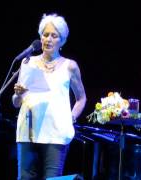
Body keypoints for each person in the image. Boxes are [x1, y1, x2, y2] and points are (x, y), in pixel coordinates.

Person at [12, 13, 87, 180]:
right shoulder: (27, 63)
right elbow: (16, 102)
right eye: (45, 35)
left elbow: (81, 98)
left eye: (54, 36)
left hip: (55, 133)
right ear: (40, 37)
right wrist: (18, 95)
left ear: (62, 41)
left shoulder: (70, 66)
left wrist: (71, 117)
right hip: (28, 131)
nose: (49, 39)